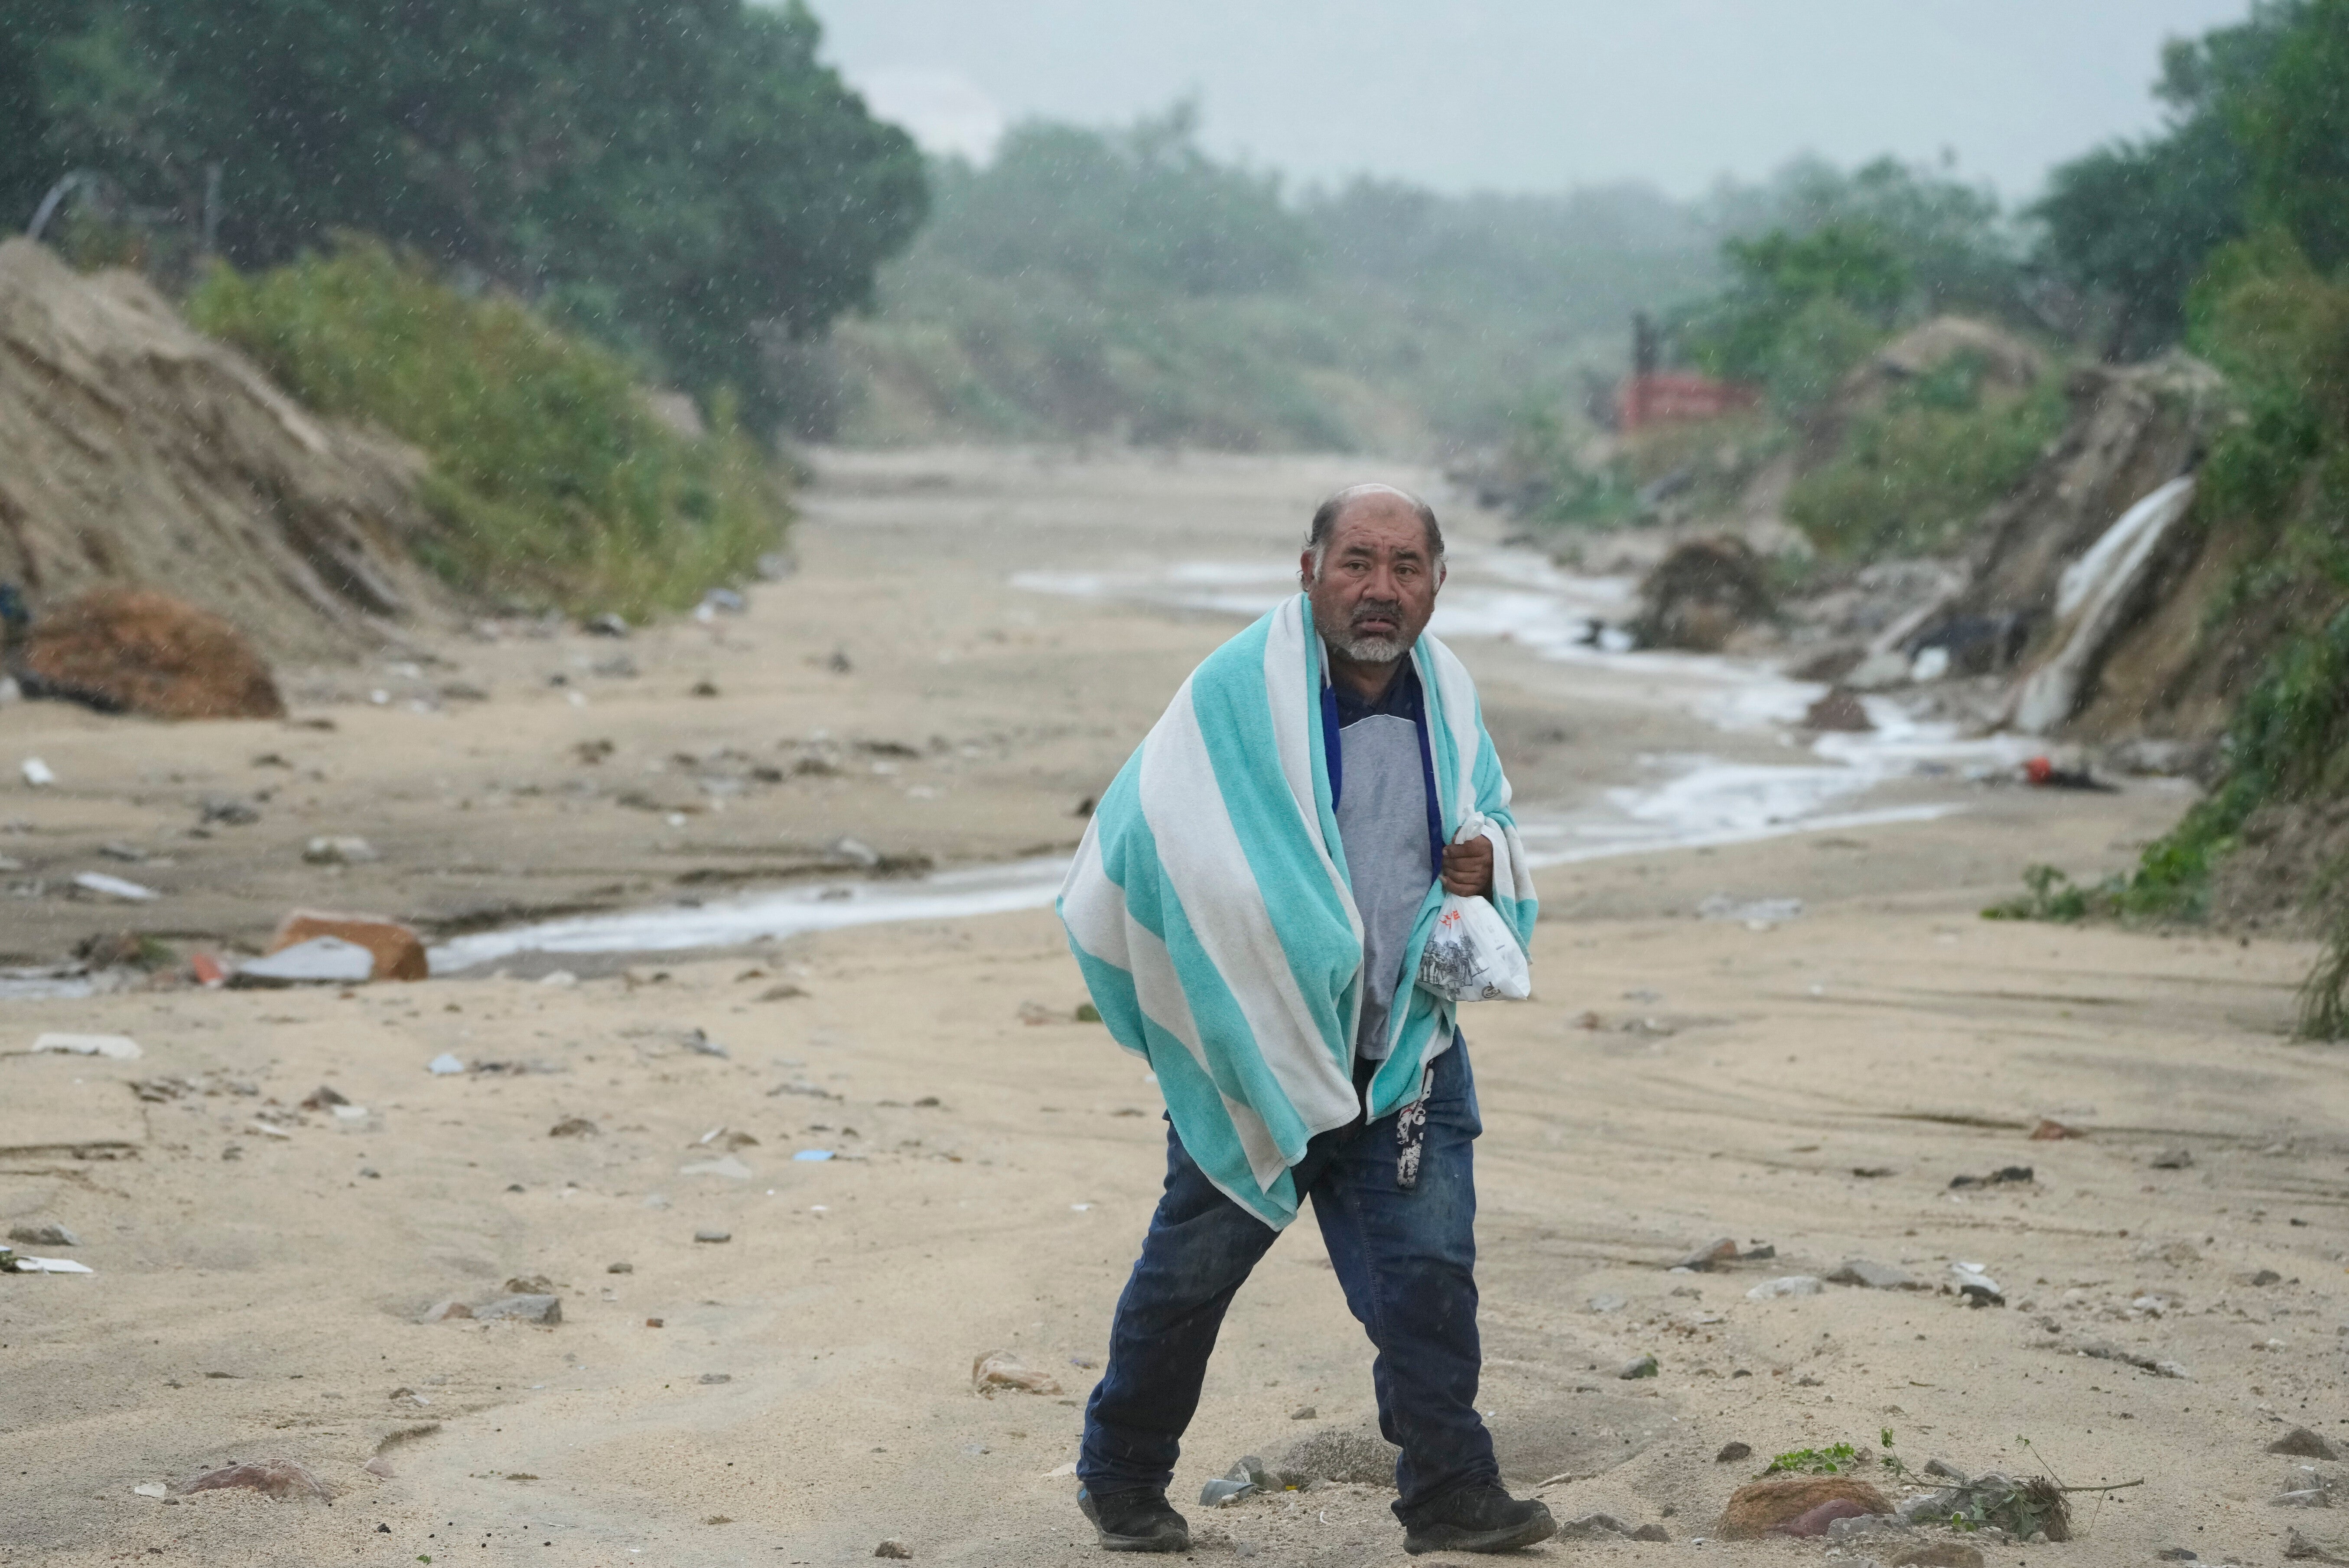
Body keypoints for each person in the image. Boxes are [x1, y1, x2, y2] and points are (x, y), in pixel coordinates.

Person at [1057, 483, 1553, 1555]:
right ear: (1309, 570)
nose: (1381, 590)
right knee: (1187, 1283)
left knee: (1428, 1284)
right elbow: (1144, 833)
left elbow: (1490, 822)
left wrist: (1484, 861)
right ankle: (1122, 1480)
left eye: (1405, 567)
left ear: (1436, 583)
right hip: (1261, 1052)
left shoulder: (1447, 697)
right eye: (1358, 563)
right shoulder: (1236, 693)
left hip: (1402, 1054)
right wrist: (1257, 953)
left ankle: (1451, 1497)